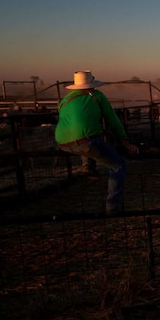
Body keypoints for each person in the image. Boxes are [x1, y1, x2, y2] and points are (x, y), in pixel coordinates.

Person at [54, 70, 139, 215]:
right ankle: (113, 207)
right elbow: (113, 120)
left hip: (62, 141)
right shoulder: (96, 96)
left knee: (90, 140)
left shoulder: (66, 99)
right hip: (85, 141)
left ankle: (87, 166)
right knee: (118, 165)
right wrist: (126, 143)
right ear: (92, 84)